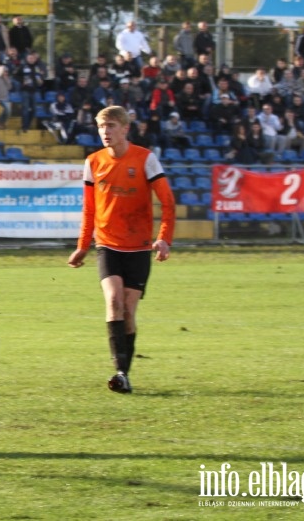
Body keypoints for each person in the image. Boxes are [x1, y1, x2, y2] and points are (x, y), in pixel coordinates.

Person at [67, 105, 175, 395]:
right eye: (102, 127)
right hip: (108, 245)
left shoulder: (145, 159)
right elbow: (89, 210)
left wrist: (164, 239)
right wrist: (82, 247)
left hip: (138, 247)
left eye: (111, 126)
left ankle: (124, 373)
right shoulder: (93, 162)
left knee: (128, 311)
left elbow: (167, 202)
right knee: (114, 301)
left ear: (125, 129)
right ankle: (119, 371)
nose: (105, 132)